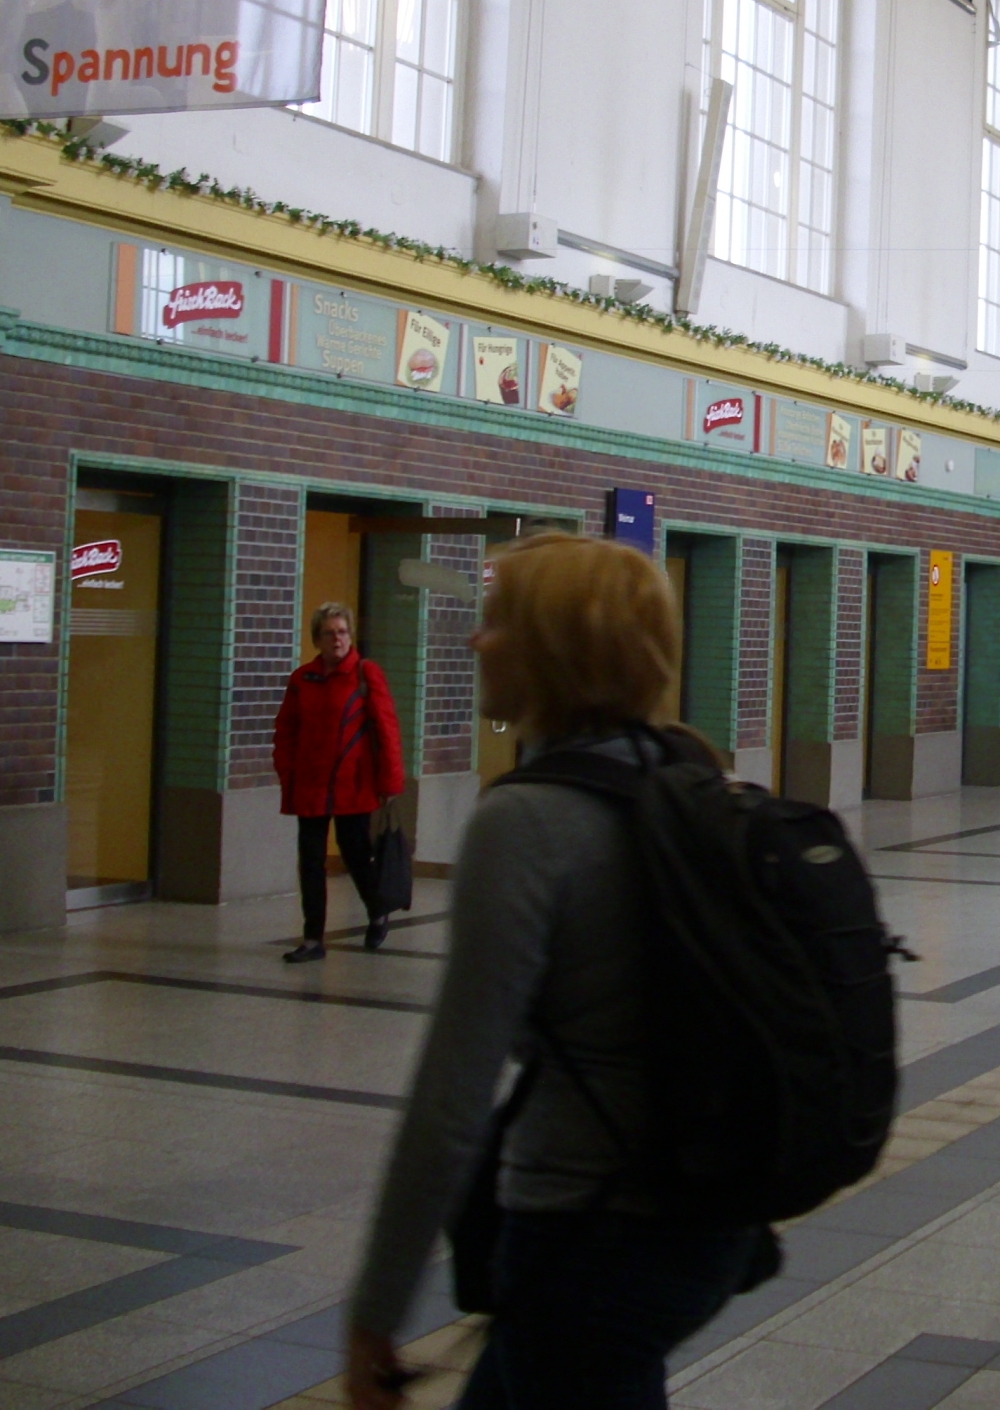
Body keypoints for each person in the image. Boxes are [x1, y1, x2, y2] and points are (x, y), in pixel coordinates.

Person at [344, 535, 763, 1410]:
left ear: (555, 645)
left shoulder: (525, 822)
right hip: (707, 1218)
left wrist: (375, 1310)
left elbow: (450, 1098)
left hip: (587, 1231)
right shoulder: (692, 771)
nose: (474, 642)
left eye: (499, 623)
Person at [273, 603, 404, 963]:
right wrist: (286, 771)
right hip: (311, 784)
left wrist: (391, 780)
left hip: (354, 784)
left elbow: (387, 729)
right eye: (330, 633)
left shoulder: (365, 673)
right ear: (317, 638)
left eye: (343, 632)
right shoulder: (303, 679)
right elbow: (286, 729)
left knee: (356, 854)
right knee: (312, 860)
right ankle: (313, 938)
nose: (338, 639)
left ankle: (377, 911)